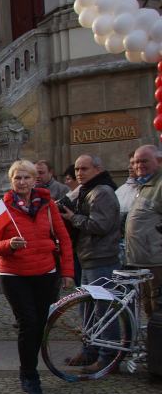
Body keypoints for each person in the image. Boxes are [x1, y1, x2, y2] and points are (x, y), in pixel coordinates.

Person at [0, 160, 74, 394]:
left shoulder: (47, 205)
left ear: (35, 179)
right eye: (17, 178)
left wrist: (67, 271)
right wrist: (9, 245)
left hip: (46, 272)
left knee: (41, 324)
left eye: (26, 178)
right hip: (14, 275)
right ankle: (29, 376)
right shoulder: (0, 209)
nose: (22, 182)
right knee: (28, 323)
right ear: (11, 181)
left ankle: (29, 369)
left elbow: (64, 238)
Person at [59, 154, 122, 372]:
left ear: (97, 169)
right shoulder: (88, 190)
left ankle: (107, 357)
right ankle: (90, 351)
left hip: (101, 259)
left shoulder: (102, 191)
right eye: (77, 169)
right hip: (88, 257)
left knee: (103, 310)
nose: (79, 173)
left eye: (84, 169)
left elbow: (100, 225)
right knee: (87, 309)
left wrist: (73, 218)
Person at [124, 144, 162, 314]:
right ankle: (151, 340)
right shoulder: (143, 185)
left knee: (157, 307)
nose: (139, 165)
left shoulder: (159, 185)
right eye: (136, 162)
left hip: (156, 261)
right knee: (148, 306)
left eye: (144, 161)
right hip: (142, 261)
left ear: (158, 161)